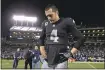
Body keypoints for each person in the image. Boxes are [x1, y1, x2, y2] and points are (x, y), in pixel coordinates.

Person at [39, 4, 85, 69]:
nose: (49, 18)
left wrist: (71, 53)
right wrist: (41, 49)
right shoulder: (45, 23)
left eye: (50, 15)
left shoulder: (66, 22)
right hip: (47, 59)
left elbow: (81, 38)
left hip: (61, 59)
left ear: (57, 12)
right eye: (47, 16)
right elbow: (41, 38)